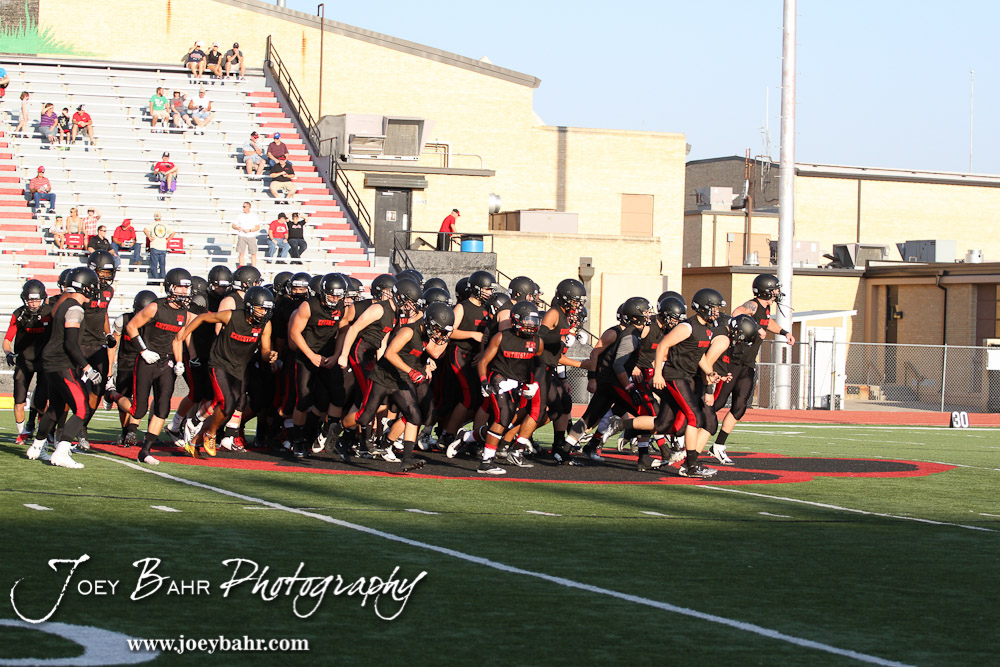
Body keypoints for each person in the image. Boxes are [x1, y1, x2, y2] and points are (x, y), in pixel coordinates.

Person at [175, 286, 276, 455]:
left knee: (228, 410)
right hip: (219, 364)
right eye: (261, 308)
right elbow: (202, 318)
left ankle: (193, 442)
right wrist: (183, 335)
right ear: (250, 305)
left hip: (238, 368)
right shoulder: (231, 315)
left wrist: (269, 355)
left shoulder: (265, 325)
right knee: (226, 402)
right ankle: (210, 433)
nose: (264, 312)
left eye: (267, 309)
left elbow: (264, 351)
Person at [708, 273, 796, 465]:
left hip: (747, 364)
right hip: (731, 362)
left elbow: (767, 322)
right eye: (775, 289)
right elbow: (736, 313)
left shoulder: (765, 309)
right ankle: (685, 437)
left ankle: (718, 446)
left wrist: (784, 332)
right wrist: (755, 328)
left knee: (739, 407)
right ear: (766, 290)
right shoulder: (753, 305)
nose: (777, 292)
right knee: (716, 405)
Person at [110, 269, 193, 464]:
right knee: (139, 410)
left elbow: (178, 339)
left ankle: (145, 451)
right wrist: (144, 350)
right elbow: (131, 327)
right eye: (181, 286)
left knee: (163, 408)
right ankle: (113, 394)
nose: (184, 290)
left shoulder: (184, 314)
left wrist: (180, 361)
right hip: (147, 361)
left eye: (187, 287)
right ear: (171, 287)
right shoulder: (156, 307)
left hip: (167, 362)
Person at [26, 267, 104, 468]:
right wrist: (87, 367)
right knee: (81, 408)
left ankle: (37, 446)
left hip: (51, 362)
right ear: (85, 287)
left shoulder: (64, 304)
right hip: (62, 363)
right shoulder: (75, 308)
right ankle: (61, 451)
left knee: (55, 408)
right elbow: (70, 344)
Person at [652, 288, 727, 479]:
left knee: (664, 423)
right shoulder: (687, 327)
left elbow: (698, 353)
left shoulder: (707, 329)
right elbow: (663, 345)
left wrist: (709, 371)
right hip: (675, 375)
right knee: (694, 417)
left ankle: (624, 425)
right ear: (703, 308)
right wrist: (658, 374)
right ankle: (690, 465)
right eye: (714, 308)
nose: (717, 312)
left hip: (686, 376)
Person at [4, 279, 51, 446]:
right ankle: (22, 433)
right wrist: (8, 353)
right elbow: (8, 339)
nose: (34, 303)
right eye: (31, 300)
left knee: (41, 400)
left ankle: (42, 430)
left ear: (43, 298)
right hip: (24, 361)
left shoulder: (50, 313)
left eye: (37, 299)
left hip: (44, 361)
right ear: (25, 299)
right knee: (19, 399)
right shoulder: (19, 315)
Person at [144, 213, 174, 280]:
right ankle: (163, 278)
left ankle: (155, 278)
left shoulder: (152, 225)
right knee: (162, 265)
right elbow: (173, 232)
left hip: (154, 246)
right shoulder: (165, 225)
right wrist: (167, 240)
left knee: (154, 265)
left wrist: (149, 237)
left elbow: (145, 230)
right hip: (163, 247)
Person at [232, 201, 260, 267]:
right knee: (241, 253)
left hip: (251, 236)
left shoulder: (253, 216)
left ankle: (254, 267)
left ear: (249, 207)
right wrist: (237, 228)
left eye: (245, 207)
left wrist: (250, 230)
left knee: (253, 253)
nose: (243, 208)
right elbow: (233, 225)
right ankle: (241, 267)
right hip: (242, 235)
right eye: (243, 206)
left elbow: (257, 227)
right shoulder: (240, 215)